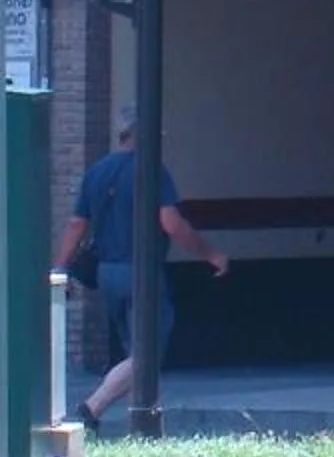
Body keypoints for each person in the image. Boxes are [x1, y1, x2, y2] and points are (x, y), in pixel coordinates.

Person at [49, 120, 227, 434]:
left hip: (107, 274)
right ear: (142, 134)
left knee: (136, 354)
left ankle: (146, 425)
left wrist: (60, 267)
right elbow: (171, 223)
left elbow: (77, 225)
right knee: (147, 353)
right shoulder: (153, 171)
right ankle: (91, 409)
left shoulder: (97, 172)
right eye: (159, 134)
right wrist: (211, 254)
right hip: (142, 273)